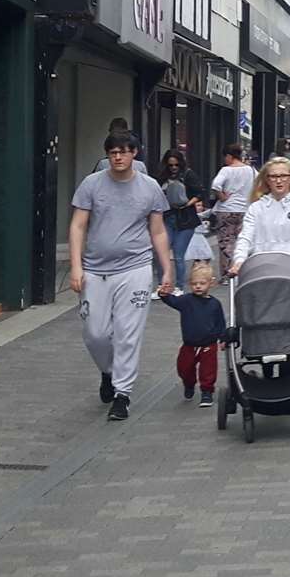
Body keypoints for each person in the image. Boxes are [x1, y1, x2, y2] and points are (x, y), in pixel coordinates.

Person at [68, 132, 174, 421]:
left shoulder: (149, 188)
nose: (118, 157)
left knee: (128, 333)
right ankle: (109, 371)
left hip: (135, 268)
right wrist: (76, 266)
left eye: (124, 152)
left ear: (134, 154)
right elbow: (78, 226)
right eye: (113, 152)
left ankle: (122, 394)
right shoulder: (91, 185)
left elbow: (158, 230)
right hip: (95, 269)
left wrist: (167, 268)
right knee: (95, 333)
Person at [227, 157, 290, 274]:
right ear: (267, 179)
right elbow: (246, 238)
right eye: (274, 176)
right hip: (261, 269)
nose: (279, 181)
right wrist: (239, 260)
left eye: (283, 176)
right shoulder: (256, 208)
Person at [160, 263, 226, 407]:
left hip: (209, 344)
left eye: (202, 283)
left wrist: (223, 338)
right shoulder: (186, 300)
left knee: (208, 370)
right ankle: (188, 384)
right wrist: (164, 295)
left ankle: (207, 392)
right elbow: (173, 301)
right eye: (194, 283)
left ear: (211, 283)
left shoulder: (215, 304)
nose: (198, 286)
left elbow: (220, 322)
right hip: (189, 344)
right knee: (184, 368)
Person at [158, 152, 205, 293]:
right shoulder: (162, 177)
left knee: (178, 254)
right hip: (168, 216)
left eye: (176, 165)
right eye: (171, 165)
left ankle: (179, 286)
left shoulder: (188, 175)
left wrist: (187, 204)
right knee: (162, 252)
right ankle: (163, 285)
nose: (173, 167)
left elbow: (199, 193)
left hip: (185, 219)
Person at [209, 144, 254, 271]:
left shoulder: (226, 170)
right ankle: (242, 269)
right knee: (244, 241)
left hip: (226, 210)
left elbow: (216, 185)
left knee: (226, 242)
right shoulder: (251, 170)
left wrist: (222, 197)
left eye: (225, 157)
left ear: (229, 156)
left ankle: (227, 272)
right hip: (245, 210)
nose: (225, 160)